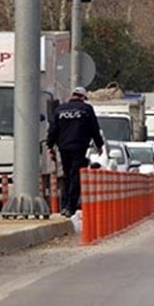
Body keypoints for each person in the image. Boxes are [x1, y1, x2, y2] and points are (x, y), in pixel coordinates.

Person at [47, 87, 104, 217]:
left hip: (64, 147)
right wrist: (99, 145)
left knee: (66, 175)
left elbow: (53, 129)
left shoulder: (60, 109)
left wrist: (50, 146)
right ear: (83, 97)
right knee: (76, 176)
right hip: (79, 147)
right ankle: (70, 207)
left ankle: (64, 205)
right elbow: (94, 128)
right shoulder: (86, 109)